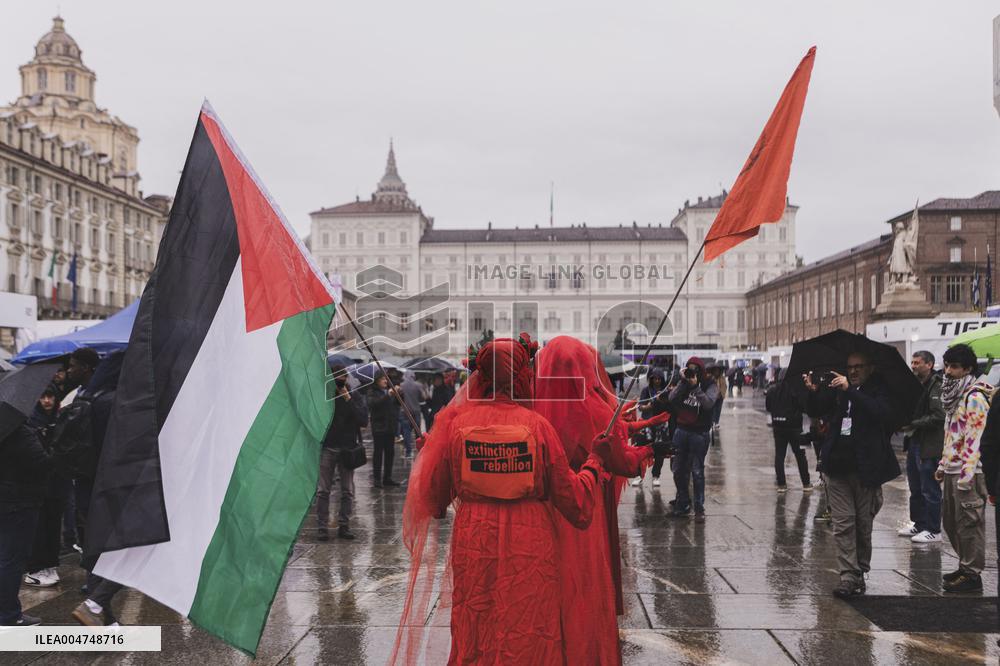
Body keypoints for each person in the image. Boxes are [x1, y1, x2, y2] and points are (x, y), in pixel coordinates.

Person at [391, 337, 609, 665]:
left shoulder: (456, 425)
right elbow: (575, 504)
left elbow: (435, 503)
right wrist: (594, 463)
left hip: (474, 542)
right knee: (529, 625)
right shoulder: (539, 427)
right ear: (523, 375)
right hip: (530, 546)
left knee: (477, 621)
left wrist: (431, 455)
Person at [534, 336, 655, 665]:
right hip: (585, 507)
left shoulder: (531, 411)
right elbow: (622, 462)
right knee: (584, 585)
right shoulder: (600, 412)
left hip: (542, 514)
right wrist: (649, 451)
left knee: (547, 586)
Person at [804, 351, 900, 598]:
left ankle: (860, 570)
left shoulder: (878, 390)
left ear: (870, 368)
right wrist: (814, 391)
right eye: (850, 367)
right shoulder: (839, 390)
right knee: (843, 523)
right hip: (837, 466)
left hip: (865, 467)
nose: (854, 371)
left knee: (862, 524)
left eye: (859, 367)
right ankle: (848, 574)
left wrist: (853, 392)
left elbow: (881, 413)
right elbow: (817, 409)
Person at [934, 343, 993, 593]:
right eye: (946, 365)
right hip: (952, 469)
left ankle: (971, 573)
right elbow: (952, 435)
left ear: (967, 369)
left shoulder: (974, 396)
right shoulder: (953, 395)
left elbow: (975, 436)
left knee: (969, 523)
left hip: (969, 472)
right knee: (951, 522)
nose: (948, 371)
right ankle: (964, 565)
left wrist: (967, 474)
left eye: (954, 367)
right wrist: (943, 463)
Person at [0, 424, 50, 626]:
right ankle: (8, 615)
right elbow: (42, 462)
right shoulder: (17, 429)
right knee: (11, 559)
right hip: (18, 501)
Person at [898, 351, 944, 544]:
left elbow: (939, 416)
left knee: (929, 488)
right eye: (912, 362)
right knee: (915, 487)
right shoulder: (915, 385)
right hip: (915, 441)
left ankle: (933, 530)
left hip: (929, 444)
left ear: (930, 364)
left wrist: (914, 423)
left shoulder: (936, 385)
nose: (914, 366)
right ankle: (919, 523)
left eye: (918, 363)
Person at [317, 365, 367, 541]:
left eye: (342, 377)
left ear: (346, 378)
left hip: (347, 449)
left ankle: (344, 525)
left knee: (347, 490)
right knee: (323, 490)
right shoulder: (324, 396)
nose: (340, 381)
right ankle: (322, 527)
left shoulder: (354, 395)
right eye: (336, 378)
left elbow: (363, 420)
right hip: (328, 447)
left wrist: (347, 398)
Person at [668, 357, 719, 520]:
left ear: (701, 371)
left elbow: (709, 404)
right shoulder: (683, 383)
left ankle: (699, 508)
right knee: (677, 470)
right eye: (689, 369)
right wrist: (683, 383)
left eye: (695, 369)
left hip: (699, 434)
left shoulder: (710, 385)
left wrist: (696, 387)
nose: (692, 372)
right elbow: (672, 399)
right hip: (681, 430)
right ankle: (682, 503)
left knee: (697, 472)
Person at [23, 387, 64, 588]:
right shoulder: (31, 421)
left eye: (50, 397)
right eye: (43, 397)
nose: (47, 401)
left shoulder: (60, 417)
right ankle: (36, 567)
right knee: (39, 526)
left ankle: (50, 563)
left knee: (53, 524)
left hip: (56, 481)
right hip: (37, 482)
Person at [765, 369, 813, 492]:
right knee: (800, 455)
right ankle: (806, 483)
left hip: (778, 426)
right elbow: (804, 407)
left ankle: (781, 485)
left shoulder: (772, 390)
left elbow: (768, 407)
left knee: (779, 456)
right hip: (795, 427)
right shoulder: (796, 390)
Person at [631, 369, 670, 488]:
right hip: (645, 425)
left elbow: (669, 407)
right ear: (651, 379)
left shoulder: (665, 391)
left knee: (659, 452)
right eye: (654, 378)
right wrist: (649, 406)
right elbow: (640, 407)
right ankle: (638, 475)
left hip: (660, 426)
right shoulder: (646, 390)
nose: (657, 381)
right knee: (640, 450)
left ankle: (656, 476)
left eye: (659, 379)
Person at [368, 374, 401, 488]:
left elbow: (398, 404)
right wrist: (388, 395)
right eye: (383, 379)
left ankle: (388, 477)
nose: (385, 381)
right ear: (377, 380)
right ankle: (377, 479)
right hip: (379, 427)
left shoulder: (388, 391)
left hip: (390, 427)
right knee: (378, 454)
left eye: (386, 379)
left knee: (390, 453)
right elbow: (374, 404)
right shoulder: (373, 392)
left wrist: (398, 394)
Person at [398, 372, 428, 458]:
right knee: (417, 432)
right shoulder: (418, 385)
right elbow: (424, 397)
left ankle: (408, 452)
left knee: (406, 432)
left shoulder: (402, 385)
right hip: (416, 411)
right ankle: (420, 451)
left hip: (405, 411)